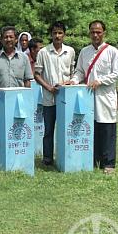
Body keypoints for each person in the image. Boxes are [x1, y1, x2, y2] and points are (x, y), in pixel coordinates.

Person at [71, 20, 118, 174]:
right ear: (89, 33)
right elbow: (79, 71)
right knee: (90, 128)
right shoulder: (84, 51)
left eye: (98, 32)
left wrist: (100, 81)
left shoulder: (112, 51)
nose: (95, 35)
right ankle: (92, 159)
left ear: (104, 33)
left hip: (105, 96)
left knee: (107, 128)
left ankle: (108, 163)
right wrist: (73, 81)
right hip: (87, 97)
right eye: (93, 32)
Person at [34, 21, 75, 166]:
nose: (57, 36)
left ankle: (66, 156)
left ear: (64, 34)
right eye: (55, 33)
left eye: (60, 33)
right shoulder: (44, 52)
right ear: (51, 35)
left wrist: (68, 84)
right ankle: (47, 158)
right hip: (49, 98)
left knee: (66, 129)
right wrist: (49, 87)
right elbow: (37, 74)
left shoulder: (70, 51)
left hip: (66, 97)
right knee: (49, 129)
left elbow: (72, 73)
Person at [0, 26, 33, 116]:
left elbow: (27, 81)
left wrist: (27, 101)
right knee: (0, 128)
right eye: (6, 37)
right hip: (0, 100)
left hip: (19, 101)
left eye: (11, 37)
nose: (8, 39)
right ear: (1, 40)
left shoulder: (24, 58)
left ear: (16, 40)